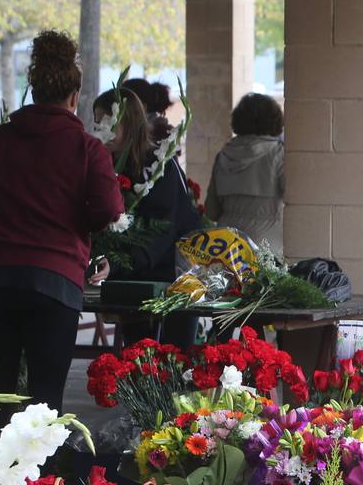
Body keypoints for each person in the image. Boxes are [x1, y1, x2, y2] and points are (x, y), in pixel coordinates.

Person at [0, 30, 123, 449]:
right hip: (54, 282)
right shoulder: (86, 148)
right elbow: (108, 210)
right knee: (46, 400)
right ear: (74, 94)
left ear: (33, 89)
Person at [93, 88, 202, 347]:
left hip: (172, 277)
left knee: (174, 354)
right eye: (96, 123)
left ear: (127, 123)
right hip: (132, 277)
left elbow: (162, 230)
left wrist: (118, 263)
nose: (100, 131)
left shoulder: (158, 163)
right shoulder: (105, 163)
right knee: (137, 351)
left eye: (107, 123)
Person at [206, 92, 285, 254]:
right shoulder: (279, 154)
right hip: (268, 245)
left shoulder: (223, 155)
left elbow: (211, 210)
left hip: (226, 244)